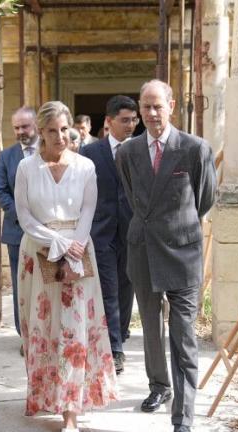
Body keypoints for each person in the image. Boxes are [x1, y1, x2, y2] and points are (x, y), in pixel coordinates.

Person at [116, 80, 217, 432]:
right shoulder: (127, 153)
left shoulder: (194, 149)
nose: (152, 114)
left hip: (182, 252)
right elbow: (132, 196)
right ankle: (159, 385)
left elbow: (204, 200)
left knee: (183, 336)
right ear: (140, 111)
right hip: (143, 251)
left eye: (158, 106)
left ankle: (183, 419)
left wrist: (177, 226)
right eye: (146, 107)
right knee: (152, 330)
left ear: (172, 106)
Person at [15, 101, 118, 432]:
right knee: (44, 328)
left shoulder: (86, 166)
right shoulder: (26, 169)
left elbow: (89, 210)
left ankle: (71, 411)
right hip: (39, 250)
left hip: (77, 252)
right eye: (51, 131)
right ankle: (47, 396)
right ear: (40, 133)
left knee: (75, 331)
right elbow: (25, 217)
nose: (60, 137)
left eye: (64, 129)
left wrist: (74, 245)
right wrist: (56, 241)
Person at [80, 95, 138, 375]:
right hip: (101, 234)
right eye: (125, 120)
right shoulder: (90, 153)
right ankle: (114, 349)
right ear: (109, 121)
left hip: (132, 233)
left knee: (127, 289)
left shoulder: (140, 151)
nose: (131, 125)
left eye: (133, 120)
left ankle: (121, 333)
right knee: (108, 290)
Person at [0, 106, 39, 351]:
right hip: (17, 232)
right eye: (17, 128)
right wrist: (24, 216)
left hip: (48, 232)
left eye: (25, 126)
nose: (21, 131)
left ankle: (47, 333)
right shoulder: (7, 156)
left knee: (47, 283)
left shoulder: (48, 151)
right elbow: (1, 191)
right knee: (21, 285)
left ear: (36, 126)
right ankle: (27, 338)